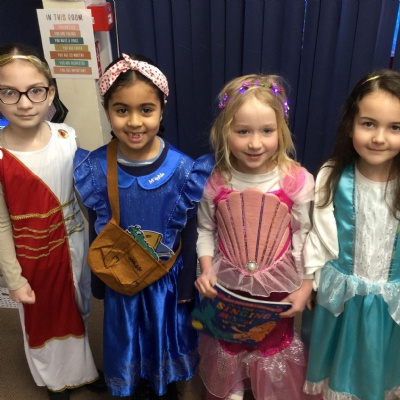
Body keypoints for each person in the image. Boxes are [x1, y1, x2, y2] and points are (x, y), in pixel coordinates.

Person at [73, 53, 213, 399]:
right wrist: (100, 285)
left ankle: (163, 385)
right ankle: (132, 386)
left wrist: (185, 288)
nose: (134, 122)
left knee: (164, 340)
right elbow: (98, 229)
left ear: (162, 109)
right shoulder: (95, 167)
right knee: (127, 340)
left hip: (167, 283)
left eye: (146, 110)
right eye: (122, 110)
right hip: (120, 279)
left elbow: (190, 233)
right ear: (107, 110)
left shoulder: (183, 170)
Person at [195, 74, 321, 400]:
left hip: (277, 287)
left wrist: (306, 286)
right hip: (228, 284)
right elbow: (206, 230)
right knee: (230, 341)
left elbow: (305, 235)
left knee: (272, 345)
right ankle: (234, 388)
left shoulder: (296, 181)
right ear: (225, 131)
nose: (255, 143)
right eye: (243, 131)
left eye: (267, 131)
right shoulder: (216, 181)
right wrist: (206, 269)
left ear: (281, 130)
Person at [0, 43, 104, 400]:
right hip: (33, 258)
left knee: (79, 307)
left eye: (35, 90)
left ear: (50, 93)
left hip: (74, 245)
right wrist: (13, 279)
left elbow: (84, 196)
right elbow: (1, 225)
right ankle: (56, 380)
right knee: (42, 318)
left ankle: (83, 370)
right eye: (9, 92)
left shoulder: (66, 137)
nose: (24, 103)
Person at [303, 69, 400, 400]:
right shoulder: (332, 176)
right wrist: (311, 281)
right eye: (368, 124)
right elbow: (319, 237)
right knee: (338, 374)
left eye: (395, 127)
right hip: (341, 301)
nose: (379, 138)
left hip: (391, 306)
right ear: (350, 125)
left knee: (379, 371)